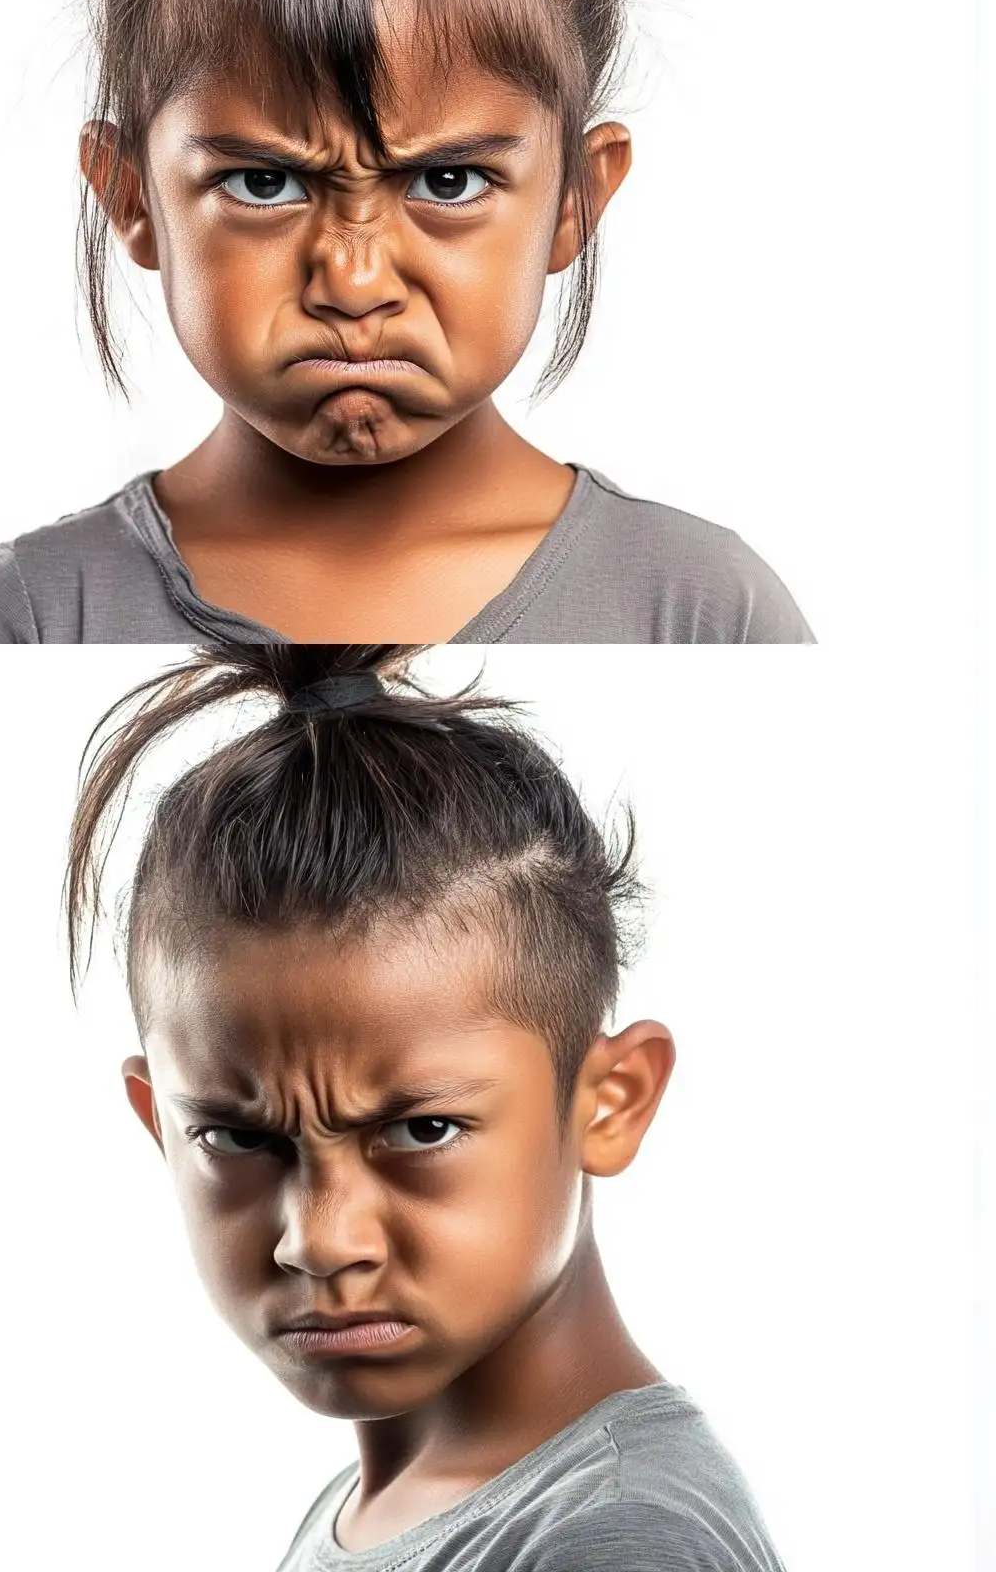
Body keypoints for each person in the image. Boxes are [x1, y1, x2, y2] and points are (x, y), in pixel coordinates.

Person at [0, 0, 810, 644]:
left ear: (576, 199)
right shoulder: (28, 619)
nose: (353, 284)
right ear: (132, 195)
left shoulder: (702, 612)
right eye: (264, 185)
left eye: (451, 181)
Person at [67, 639, 785, 1569]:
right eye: (237, 1135)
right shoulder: (378, 1508)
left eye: (421, 1129)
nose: (320, 1241)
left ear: (612, 1102)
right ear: (156, 1121)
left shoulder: (614, 1541)